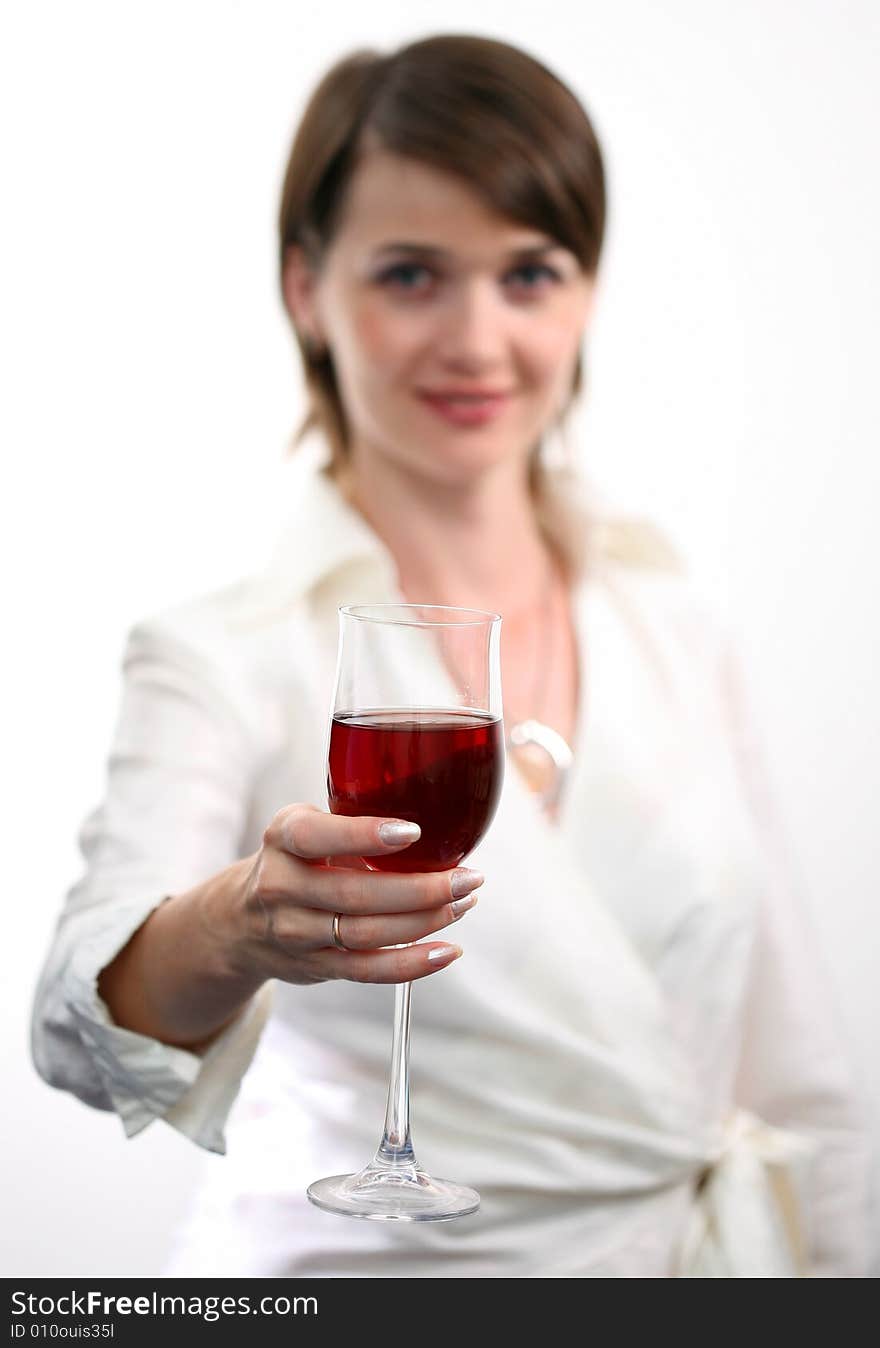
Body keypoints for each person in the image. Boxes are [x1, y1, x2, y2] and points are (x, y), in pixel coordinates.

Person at [31, 33, 871, 1278]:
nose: (478, 340)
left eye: (529, 274)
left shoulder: (671, 626)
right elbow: (75, 1023)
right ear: (306, 288)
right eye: (412, 274)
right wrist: (237, 927)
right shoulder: (227, 652)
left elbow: (798, 1067)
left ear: (586, 292)